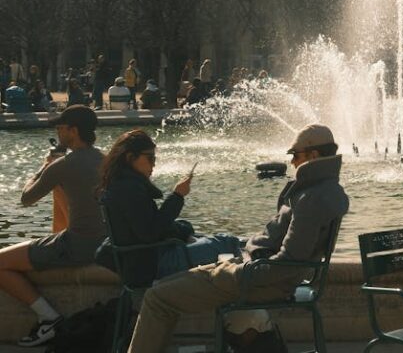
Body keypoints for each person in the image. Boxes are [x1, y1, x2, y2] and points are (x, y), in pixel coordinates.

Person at [127, 124, 349, 353]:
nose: (292, 162)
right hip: (258, 271)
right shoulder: (325, 190)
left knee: (156, 298)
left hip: (257, 279)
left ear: (314, 155)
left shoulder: (310, 198)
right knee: (162, 291)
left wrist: (241, 271)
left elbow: (288, 262)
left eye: (296, 155)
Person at [0, 106, 104, 346]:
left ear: (73, 131)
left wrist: (43, 168)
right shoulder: (107, 159)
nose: (58, 132)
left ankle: (49, 318)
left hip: (77, 246)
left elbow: (27, 199)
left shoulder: (63, 165)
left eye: (61, 128)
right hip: (104, 243)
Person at [96, 130, 240, 287]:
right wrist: (177, 196)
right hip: (152, 264)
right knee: (228, 242)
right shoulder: (130, 189)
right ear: (130, 158)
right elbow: (150, 233)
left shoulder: (118, 182)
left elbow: (147, 226)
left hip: (138, 261)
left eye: (155, 158)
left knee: (187, 228)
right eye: (150, 158)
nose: (154, 164)